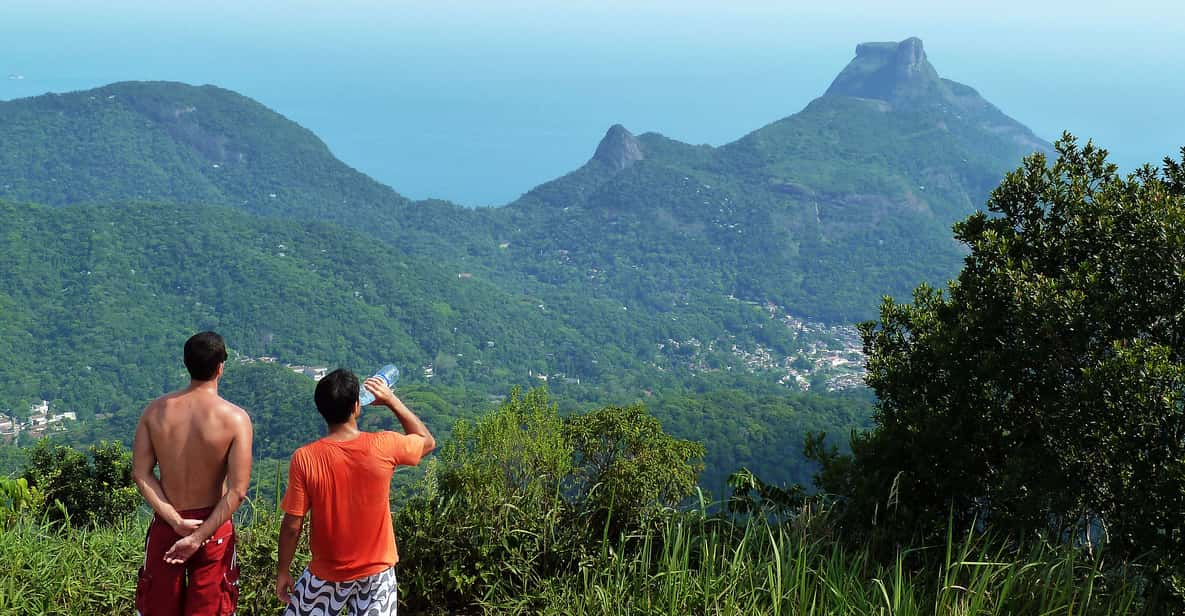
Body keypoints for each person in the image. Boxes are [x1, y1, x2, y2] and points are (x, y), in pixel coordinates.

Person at [276, 368, 436, 615]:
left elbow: (292, 526)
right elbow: (427, 441)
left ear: (321, 410)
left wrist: (283, 572)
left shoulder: (305, 458)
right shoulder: (384, 445)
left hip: (327, 572)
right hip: (377, 573)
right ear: (356, 406)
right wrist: (391, 400)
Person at [131, 331, 254, 616]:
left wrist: (175, 521)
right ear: (221, 366)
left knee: (158, 608)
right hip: (214, 527)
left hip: (166, 525)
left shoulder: (155, 412)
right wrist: (198, 536)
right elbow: (237, 491)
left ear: (185, 364)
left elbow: (141, 474)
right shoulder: (235, 419)